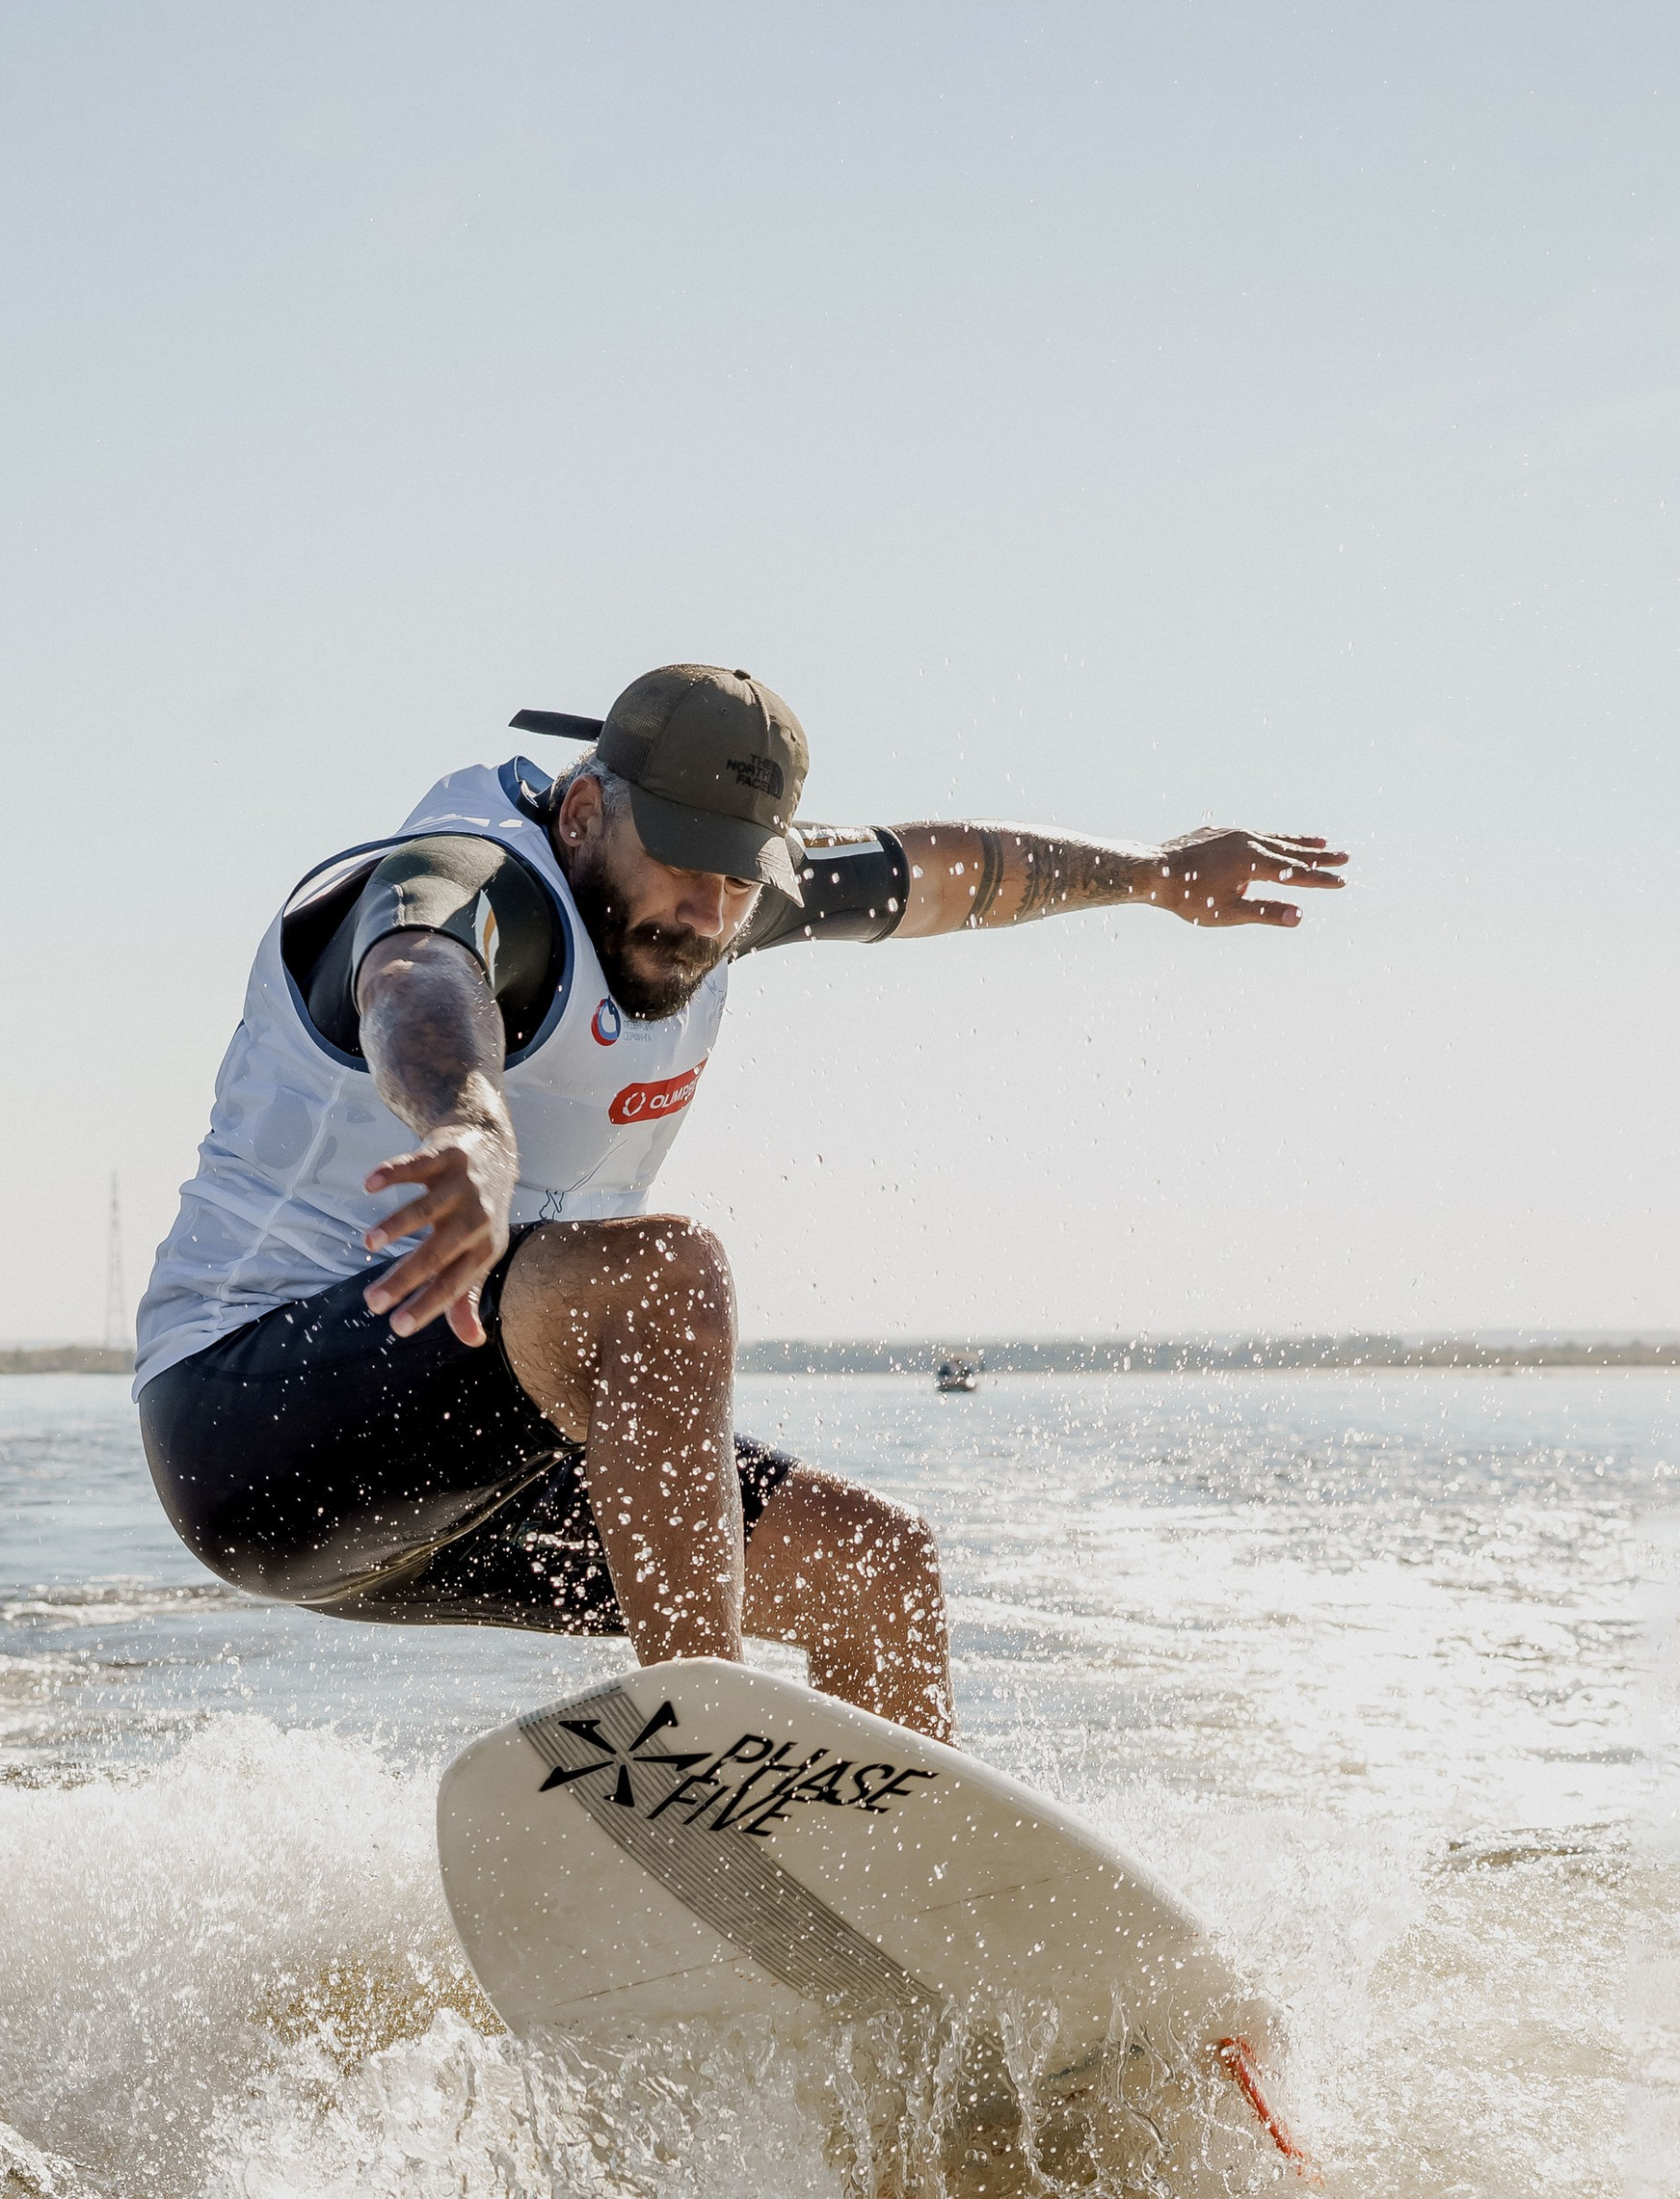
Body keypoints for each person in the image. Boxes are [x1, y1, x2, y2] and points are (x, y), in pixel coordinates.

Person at [134, 664, 1345, 1741]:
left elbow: (951, 872)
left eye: (735, 879)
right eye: (679, 867)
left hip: (475, 1468)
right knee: (664, 1273)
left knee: (878, 1568)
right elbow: (416, 976)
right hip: (258, 1429)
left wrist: (1150, 876)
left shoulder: (718, 890)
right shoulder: (469, 876)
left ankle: (897, 1939)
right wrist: (465, 1124)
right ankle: (702, 1771)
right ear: (584, 810)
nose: (707, 913)